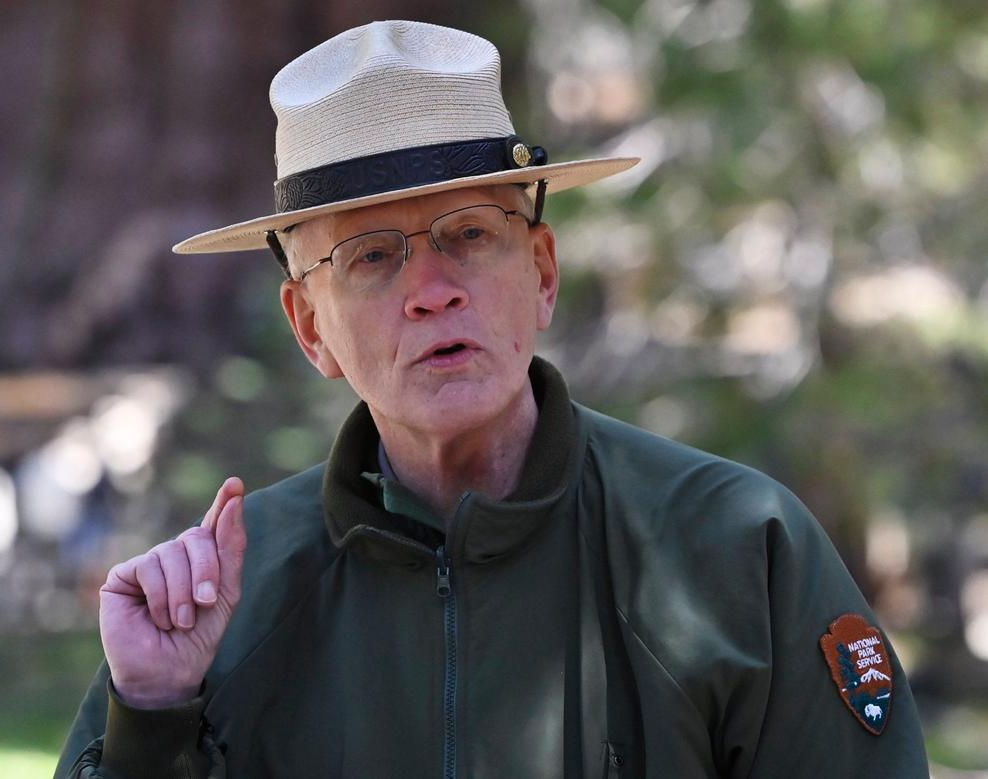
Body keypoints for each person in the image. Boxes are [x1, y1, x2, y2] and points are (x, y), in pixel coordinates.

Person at [57, 20, 928, 778]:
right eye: (371, 256)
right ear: (309, 325)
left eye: (470, 234)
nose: (433, 290)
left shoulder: (738, 548)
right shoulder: (230, 598)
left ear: (542, 273)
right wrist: (152, 712)